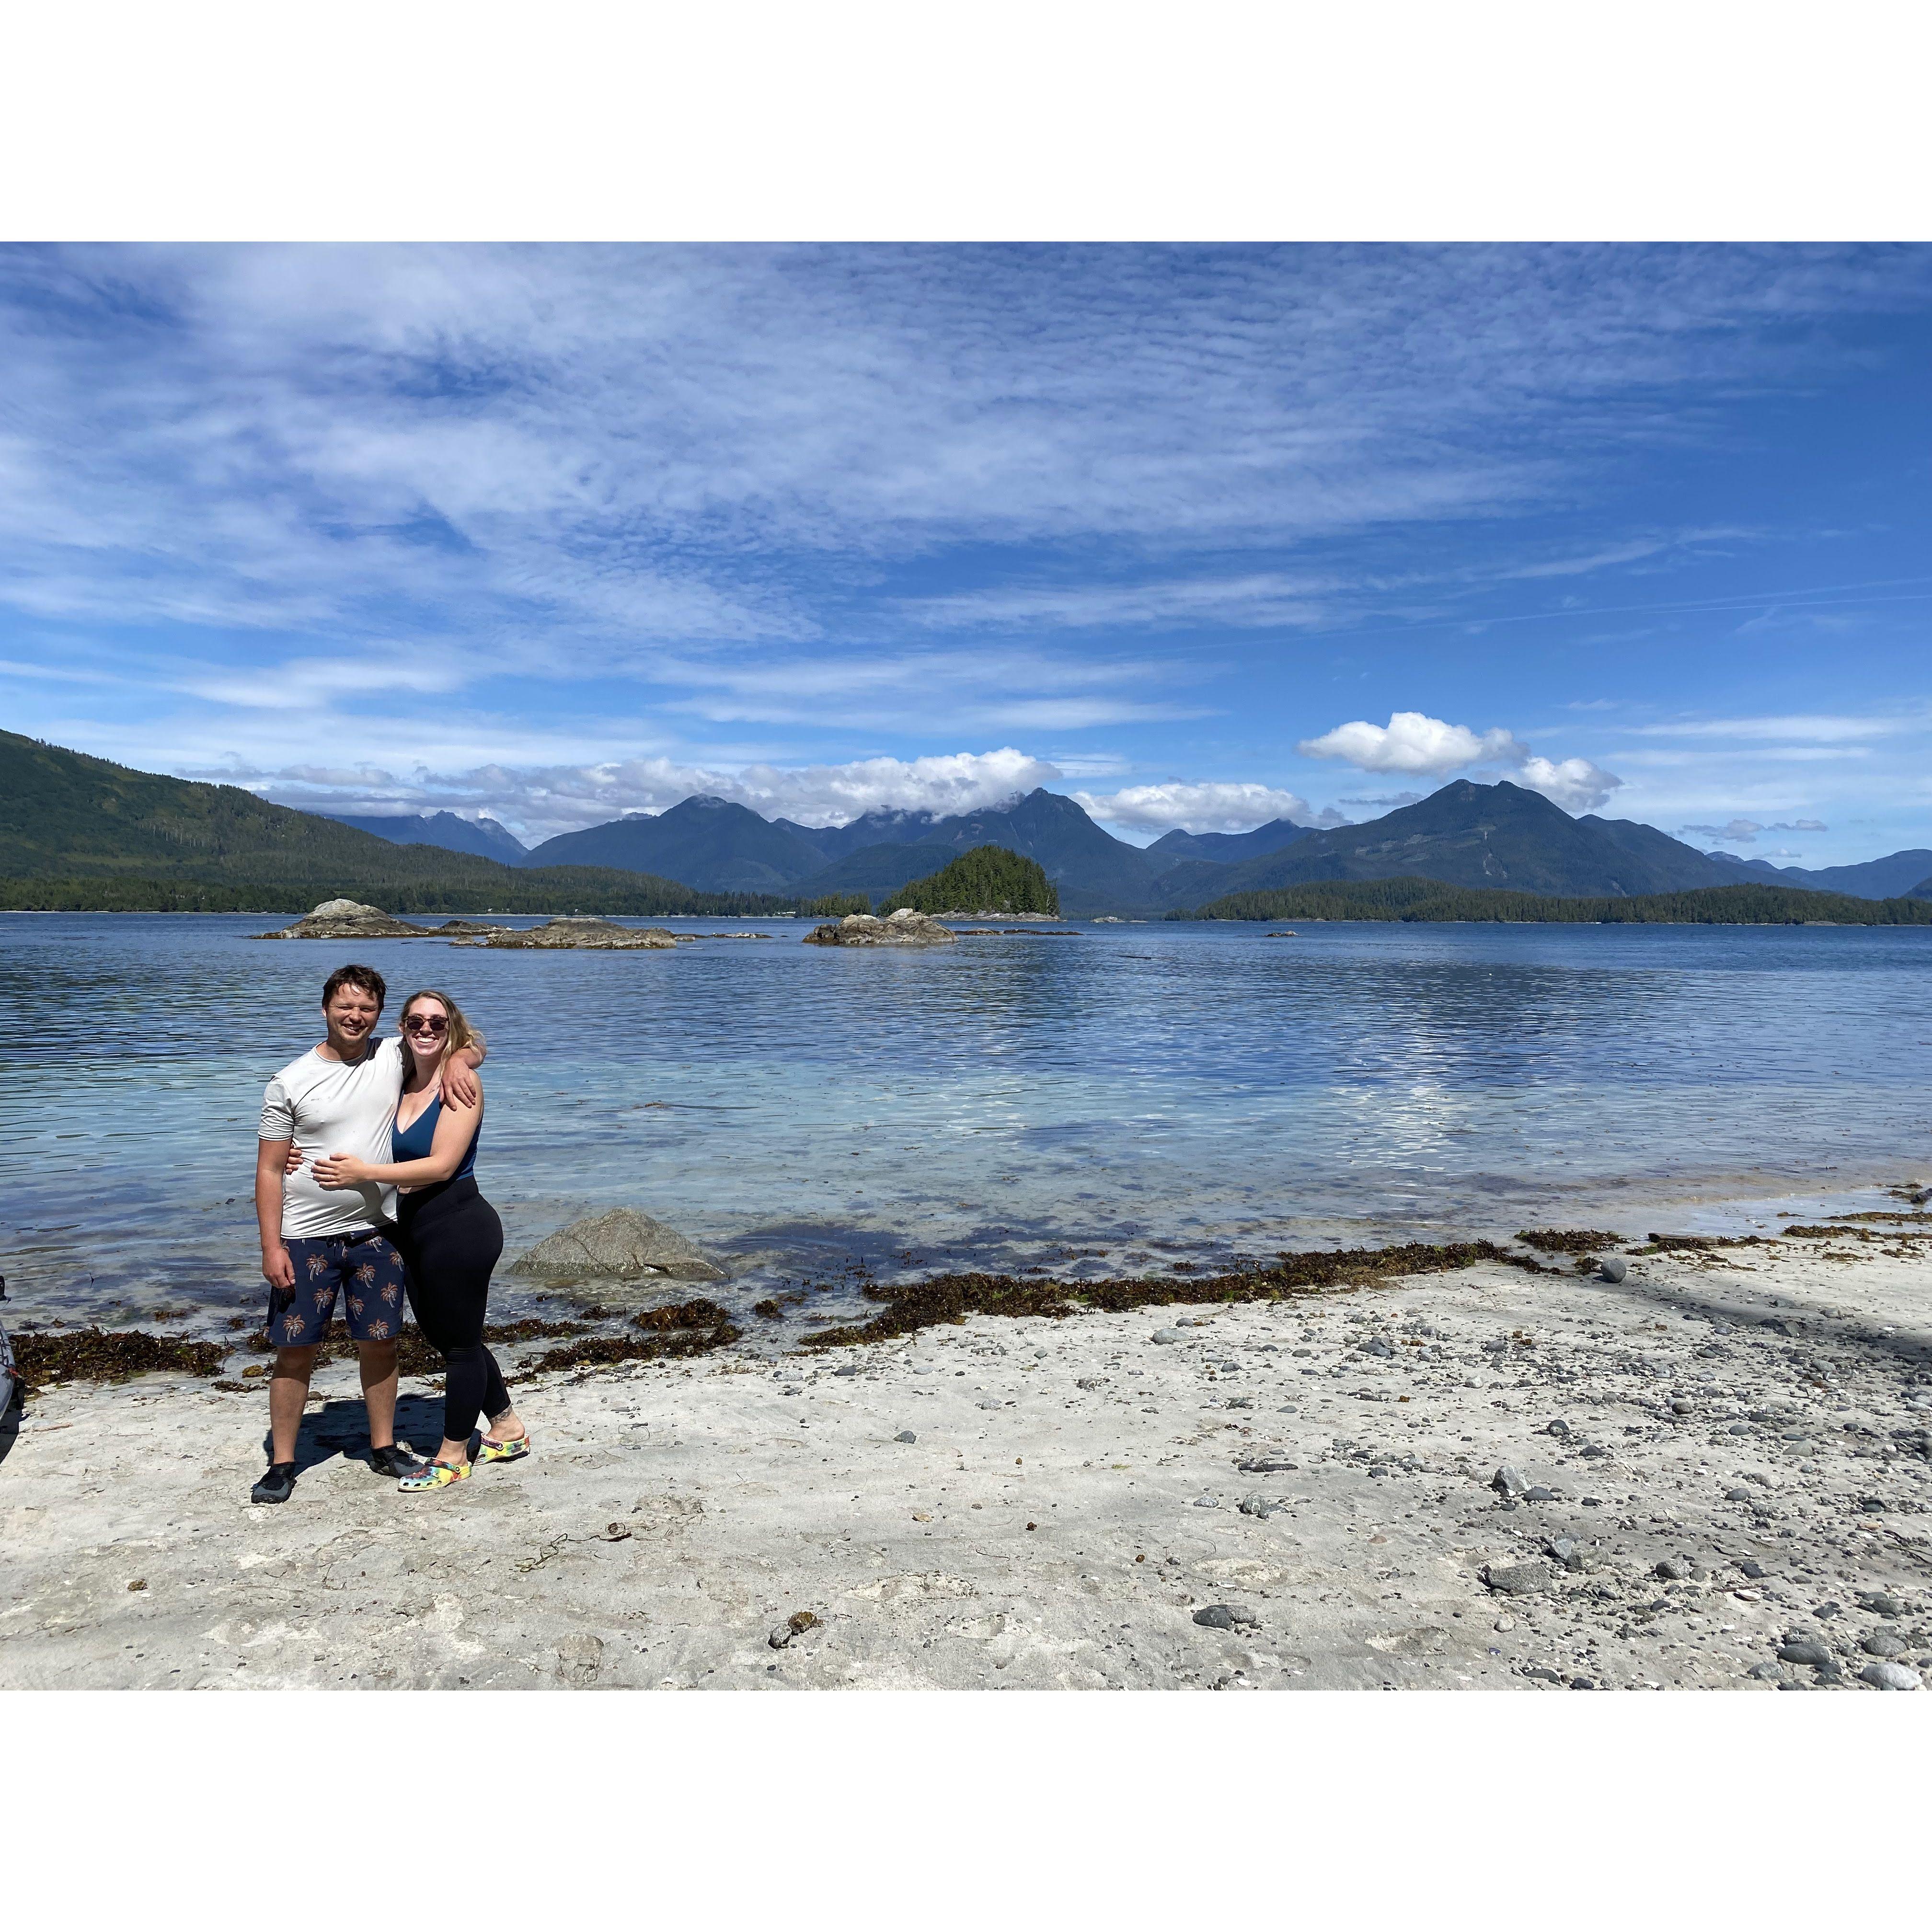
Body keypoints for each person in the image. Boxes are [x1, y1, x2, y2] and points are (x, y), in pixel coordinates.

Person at [252, 963, 484, 1505]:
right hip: (305, 1237)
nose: (355, 1017)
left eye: (367, 1008)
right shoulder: (290, 1080)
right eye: (345, 1007)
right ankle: (283, 1462)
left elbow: (460, 1039)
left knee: (380, 1343)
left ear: (379, 1015)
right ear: (326, 1008)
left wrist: (459, 1059)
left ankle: (383, 1446)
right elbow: (267, 1170)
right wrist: (271, 1246)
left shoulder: (391, 1055)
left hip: (378, 1234)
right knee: (294, 1350)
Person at [313, 988, 528, 1494]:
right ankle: (508, 1427)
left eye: (437, 1023)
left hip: (458, 1225)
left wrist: (365, 1173)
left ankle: (453, 1455)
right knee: (451, 1338)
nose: (425, 1029)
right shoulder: (396, 1075)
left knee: (459, 1348)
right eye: (415, 1022)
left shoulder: (462, 1082)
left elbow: (442, 1165)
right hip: (410, 1227)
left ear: (450, 1027)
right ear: (403, 1028)